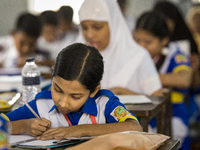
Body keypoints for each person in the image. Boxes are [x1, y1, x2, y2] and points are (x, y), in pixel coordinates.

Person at [2, 43, 142, 140]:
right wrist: (24, 126)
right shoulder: (40, 105)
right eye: (57, 89)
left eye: (75, 96)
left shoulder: (105, 104)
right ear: (52, 76)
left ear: (94, 91)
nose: (63, 102)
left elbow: (135, 127)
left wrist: (79, 130)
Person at [75, 0, 163, 96]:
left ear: (113, 25)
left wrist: (122, 92)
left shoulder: (139, 56)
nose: (90, 35)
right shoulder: (79, 57)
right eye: (84, 28)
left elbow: (157, 98)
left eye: (97, 27)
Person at [133, 11, 192, 150]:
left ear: (164, 40)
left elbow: (184, 79)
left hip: (172, 115)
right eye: (137, 40)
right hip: (145, 116)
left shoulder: (175, 55)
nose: (141, 46)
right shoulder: (133, 56)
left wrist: (147, 79)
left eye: (148, 42)